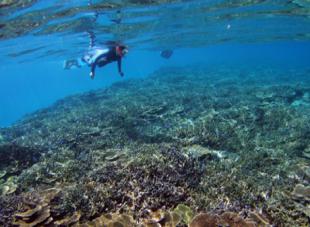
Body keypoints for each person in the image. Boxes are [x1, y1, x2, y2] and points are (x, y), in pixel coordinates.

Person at [64, 44, 128, 79]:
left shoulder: (119, 56)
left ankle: (77, 63)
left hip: (103, 60)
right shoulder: (109, 51)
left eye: (124, 53)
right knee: (89, 63)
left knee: (99, 65)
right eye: (122, 53)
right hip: (95, 57)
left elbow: (119, 62)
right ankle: (73, 61)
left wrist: (120, 71)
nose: (123, 55)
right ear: (118, 50)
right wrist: (92, 72)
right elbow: (96, 59)